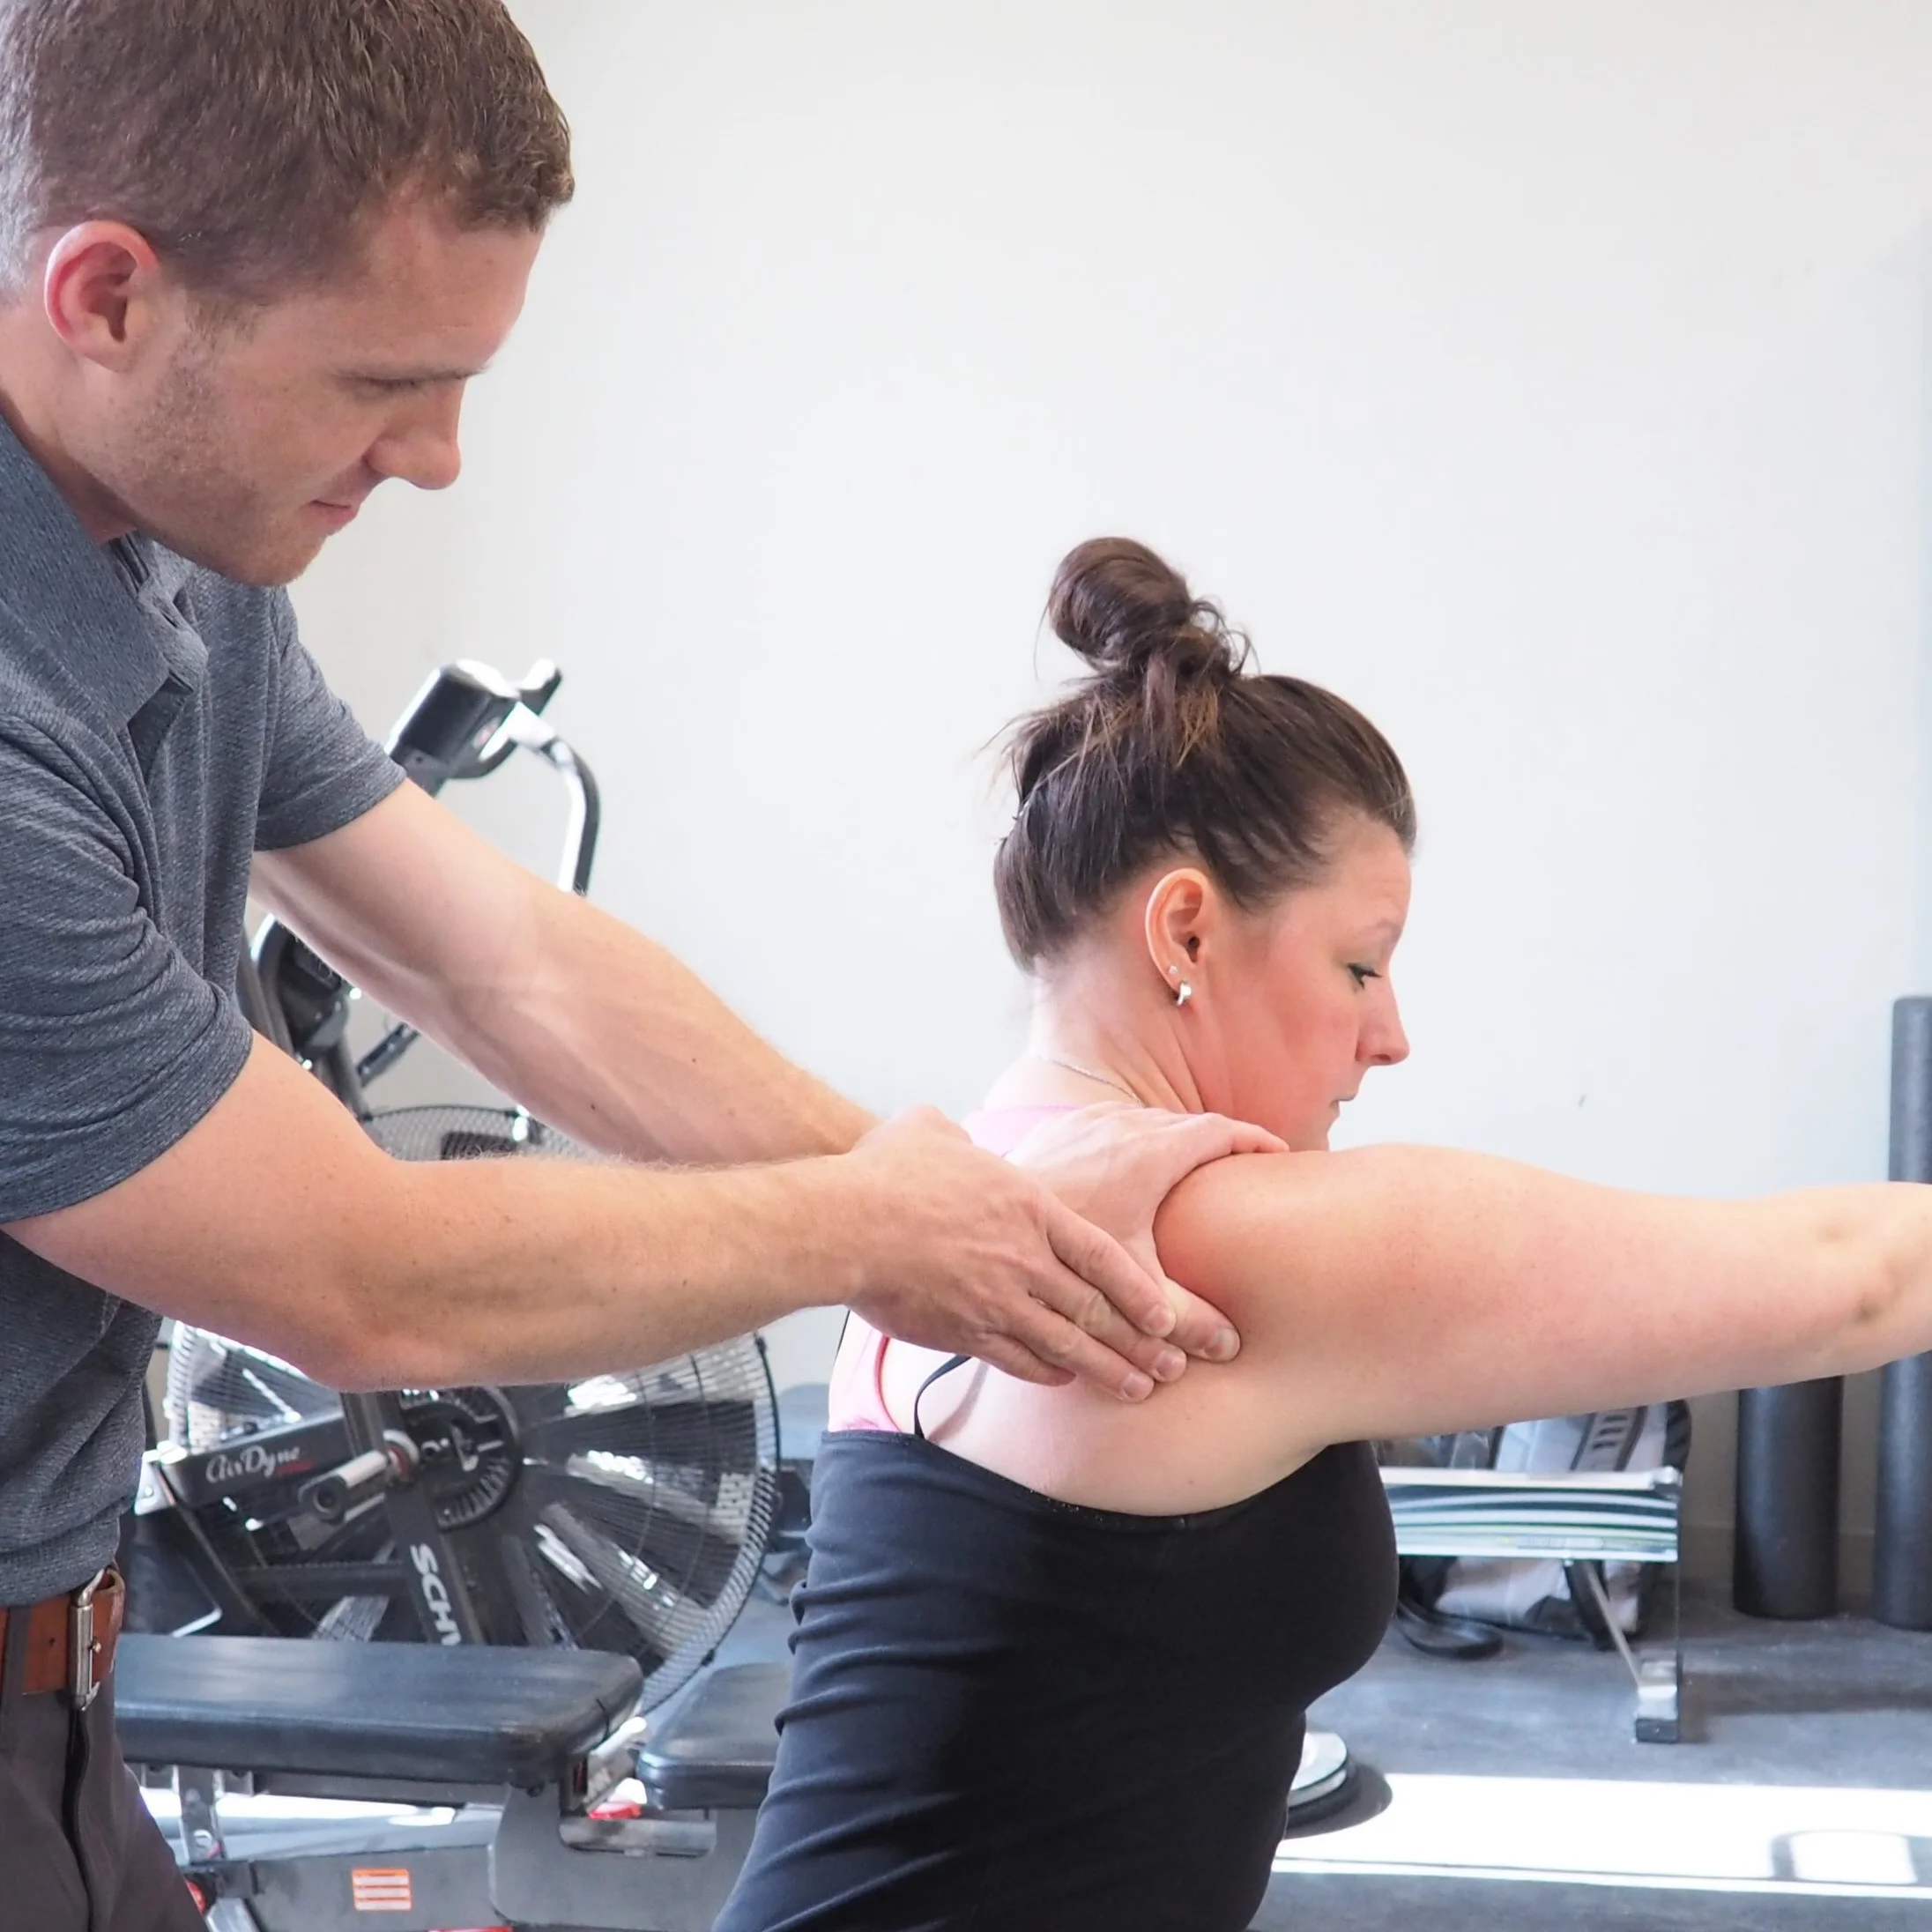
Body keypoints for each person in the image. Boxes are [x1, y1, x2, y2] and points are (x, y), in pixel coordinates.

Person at [0, 11, 1270, 1930]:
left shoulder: (185, 549)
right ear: (106, 296)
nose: (436, 460)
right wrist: (872, 1231)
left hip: (61, 1697)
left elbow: (502, 961)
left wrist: (960, 1198)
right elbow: (356, 1276)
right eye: (383, 383)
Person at [716, 534, 1932, 1932]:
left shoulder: (959, 1189)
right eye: (1361, 964)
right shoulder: (1205, 1241)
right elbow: (1851, 1285)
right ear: (1186, 933)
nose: (1391, 1033)